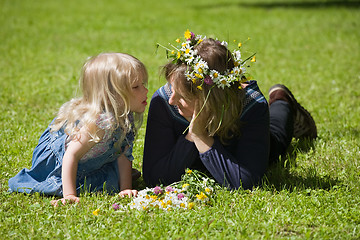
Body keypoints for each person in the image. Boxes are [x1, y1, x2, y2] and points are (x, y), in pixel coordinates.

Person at [143, 30, 317, 190]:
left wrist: (201, 136)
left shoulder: (252, 106)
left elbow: (246, 181)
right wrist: (190, 136)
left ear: (209, 99)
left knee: (277, 137)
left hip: (246, 147)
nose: (172, 99)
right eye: (172, 88)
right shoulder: (164, 102)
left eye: (182, 96)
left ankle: (282, 101)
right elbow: (154, 178)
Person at [8, 53, 148, 205]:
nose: (145, 90)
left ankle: (100, 175)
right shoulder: (100, 122)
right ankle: (70, 183)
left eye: (143, 84)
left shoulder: (125, 115)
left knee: (110, 183)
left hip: (89, 161)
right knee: (76, 184)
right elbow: (71, 155)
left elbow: (122, 152)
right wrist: (69, 195)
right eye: (136, 87)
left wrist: (125, 188)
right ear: (110, 96)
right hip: (61, 163)